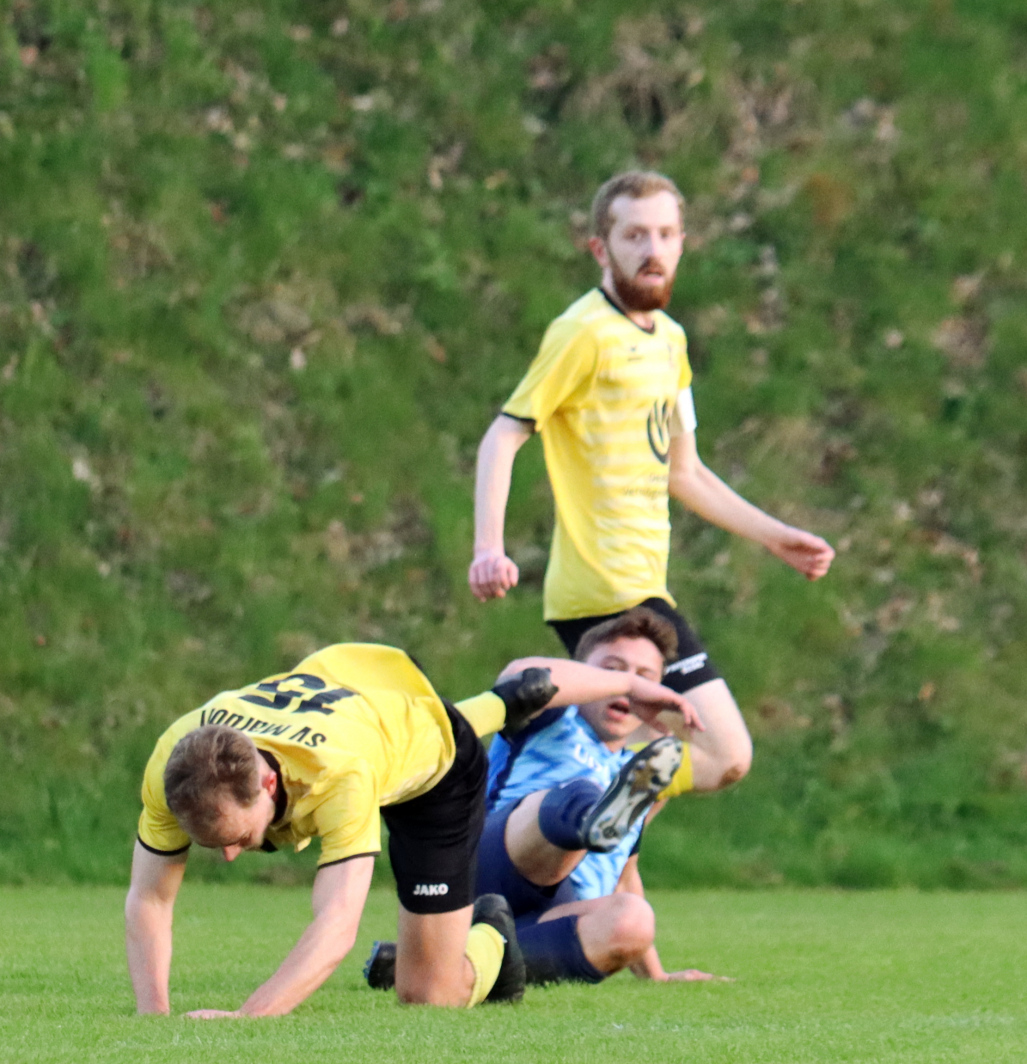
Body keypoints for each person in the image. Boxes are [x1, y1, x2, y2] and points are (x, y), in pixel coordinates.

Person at [469, 170, 835, 800]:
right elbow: (504, 434)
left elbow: (684, 472)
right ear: (600, 248)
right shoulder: (583, 333)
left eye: (665, 234)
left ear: (683, 243)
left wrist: (776, 538)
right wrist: (488, 547)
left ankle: (574, 824)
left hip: (643, 584)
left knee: (651, 752)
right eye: (634, 235)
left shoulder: (671, 342)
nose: (652, 249)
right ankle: (541, 799)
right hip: (605, 588)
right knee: (723, 752)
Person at [126, 639, 700, 1017]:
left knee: (430, 996)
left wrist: (248, 1019)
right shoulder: (176, 759)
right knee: (499, 703)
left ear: (269, 782)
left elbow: (336, 924)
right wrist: (156, 1019)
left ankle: (493, 936)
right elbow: (150, 897)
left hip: (435, 775)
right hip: (360, 690)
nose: (230, 856)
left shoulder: (339, 775)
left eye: (237, 839)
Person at [366, 609, 725, 990]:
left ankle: (442, 965)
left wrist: (658, 976)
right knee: (581, 792)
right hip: (492, 867)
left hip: (553, 914)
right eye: (613, 669)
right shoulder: (551, 719)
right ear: (585, 674)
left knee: (634, 919)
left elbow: (624, 877)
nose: (628, 688)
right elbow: (521, 675)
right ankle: (587, 817)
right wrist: (627, 683)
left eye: (644, 677)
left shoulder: (637, 776)